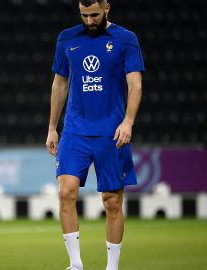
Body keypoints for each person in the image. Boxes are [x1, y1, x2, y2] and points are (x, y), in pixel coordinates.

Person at [45, 0, 145, 269]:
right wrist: (53, 127)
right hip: (75, 131)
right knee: (66, 192)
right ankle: (76, 264)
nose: (89, 21)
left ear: (107, 8)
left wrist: (128, 121)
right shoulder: (67, 38)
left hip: (112, 133)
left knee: (111, 201)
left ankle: (112, 267)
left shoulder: (126, 39)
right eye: (84, 15)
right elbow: (60, 83)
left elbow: (135, 84)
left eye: (94, 15)